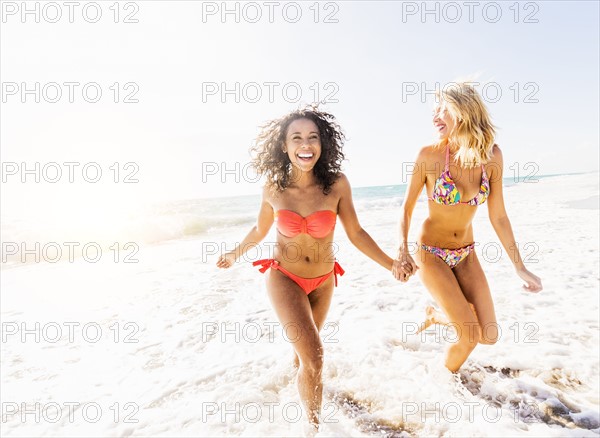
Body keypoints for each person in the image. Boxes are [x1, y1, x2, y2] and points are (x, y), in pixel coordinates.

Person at [216, 106, 399, 431]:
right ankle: (312, 427)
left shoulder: (337, 185)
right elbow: (260, 230)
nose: (306, 144)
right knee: (315, 357)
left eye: (313, 137)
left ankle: (298, 390)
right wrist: (234, 253)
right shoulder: (274, 187)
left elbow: (356, 233)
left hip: (324, 281)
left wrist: (391, 265)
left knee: (304, 355)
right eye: (296, 137)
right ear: (284, 146)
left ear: (322, 143)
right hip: (285, 278)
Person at [393, 82, 543, 373]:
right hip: (431, 253)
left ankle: (436, 316)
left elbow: (498, 216)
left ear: (463, 111)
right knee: (468, 335)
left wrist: (519, 267)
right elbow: (406, 207)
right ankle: (445, 385)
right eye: (433, 110)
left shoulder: (492, 156)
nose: (435, 116)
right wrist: (402, 249)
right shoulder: (430, 155)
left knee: (488, 335)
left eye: (442, 109)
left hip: (466, 254)